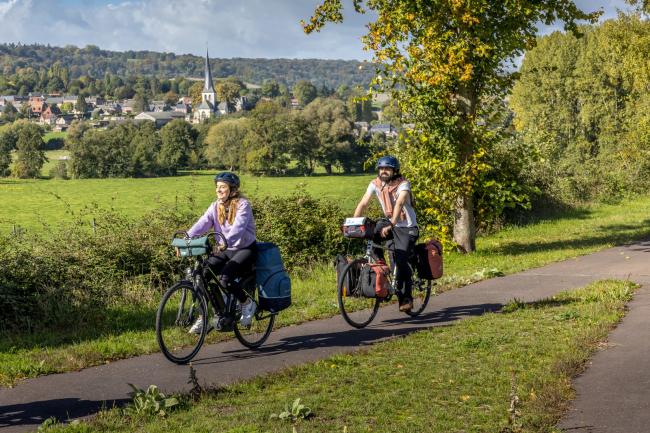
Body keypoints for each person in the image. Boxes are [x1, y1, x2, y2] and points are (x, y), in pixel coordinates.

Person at [186, 172, 258, 331]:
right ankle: (205, 315)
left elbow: (238, 230)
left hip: (244, 249)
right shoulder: (215, 206)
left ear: (232, 190)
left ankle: (247, 303)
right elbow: (202, 224)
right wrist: (187, 238)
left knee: (225, 278)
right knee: (202, 275)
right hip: (224, 249)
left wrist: (224, 243)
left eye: (223, 187)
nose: (218, 190)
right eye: (217, 187)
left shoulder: (243, 205)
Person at [353, 156, 419, 312]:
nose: (383, 172)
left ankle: (406, 298)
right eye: (381, 169)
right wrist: (354, 221)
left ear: (394, 171)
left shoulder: (403, 184)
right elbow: (364, 202)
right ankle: (381, 263)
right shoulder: (375, 184)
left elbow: (400, 203)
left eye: (387, 169)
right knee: (371, 231)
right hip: (390, 224)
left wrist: (392, 223)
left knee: (401, 262)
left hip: (407, 227)